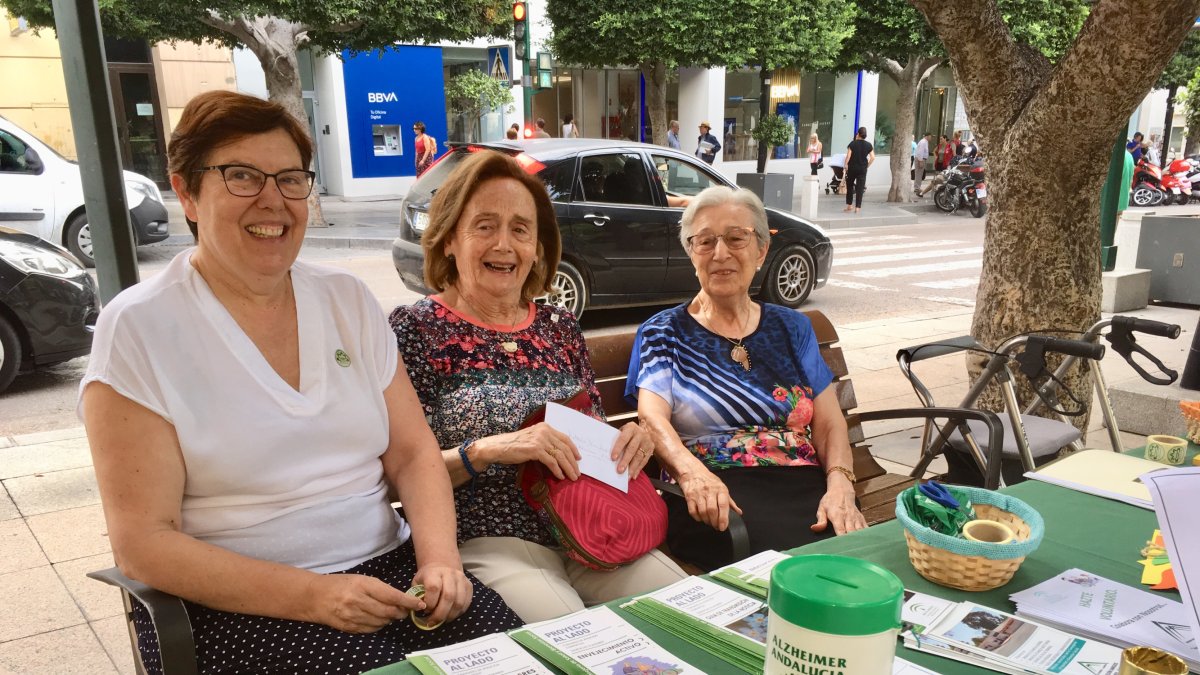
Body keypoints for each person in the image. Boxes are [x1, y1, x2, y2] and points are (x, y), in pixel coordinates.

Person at [79, 91, 521, 674]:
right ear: (186, 192)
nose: (274, 201)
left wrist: (440, 562)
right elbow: (144, 542)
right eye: (241, 177)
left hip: (388, 568)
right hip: (241, 605)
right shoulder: (139, 328)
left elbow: (413, 454)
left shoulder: (347, 301)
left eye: (290, 179)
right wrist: (315, 597)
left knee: (524, 659)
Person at [389, 150, 686, 623]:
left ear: (537, 246)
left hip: (590, 526)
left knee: (683, 610)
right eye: (484, 226)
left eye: (520, 229)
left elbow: (593, 433)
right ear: (448, 240)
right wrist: (487, 450)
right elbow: (398, 471)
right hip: (491, 535)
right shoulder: (416, 330)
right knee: (574, 635)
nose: (504, 245)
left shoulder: (559, 326)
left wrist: (629, 443)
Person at [626, 185, 867, 571]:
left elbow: (829, 423)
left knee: (852, 555)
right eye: (705, 242)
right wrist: (692, 476)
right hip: (717, 494)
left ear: (761, 251)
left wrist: (840, 485)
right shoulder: (663, 332)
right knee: (802, 572)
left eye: (736, 238)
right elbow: (651, 421)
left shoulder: (792, 328)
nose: (720, 253)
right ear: (692, 254)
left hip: (804, 483)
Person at [843, 127, 874, 213]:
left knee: (849, 186)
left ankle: (849, 205)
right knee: (860, 188)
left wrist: (845, 165)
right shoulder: (869, 145)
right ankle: (858, 207)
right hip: (862, 169)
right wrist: (867, 165)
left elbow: (848, 156)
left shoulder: (852, 144)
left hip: (852, 168)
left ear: (858, 134)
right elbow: (873, 157)